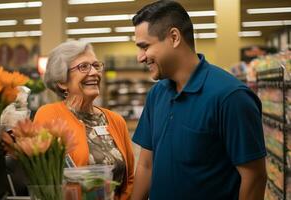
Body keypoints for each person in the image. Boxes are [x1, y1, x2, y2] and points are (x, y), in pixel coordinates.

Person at [131, 1, 267, 200]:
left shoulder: (231, 97)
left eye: (145, 47)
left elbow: (254, 177)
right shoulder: (157, 94)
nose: (140, 57)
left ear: (174, 38)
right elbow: (146, 164)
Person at [33, 40, 134, 199]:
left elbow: (130, 180)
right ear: (62, 81)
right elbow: (43, 180)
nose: (94, 72)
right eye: (84, 67)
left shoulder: (116, 120)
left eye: (96, 65)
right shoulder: (48, 116)